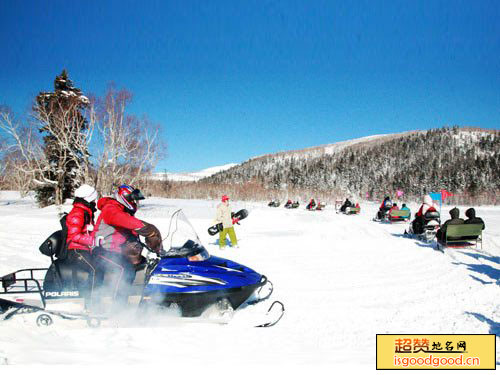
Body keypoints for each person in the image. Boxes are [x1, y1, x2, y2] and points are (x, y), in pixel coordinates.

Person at [93, 184, 162, 301]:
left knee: (145, 265)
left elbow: (130, 230)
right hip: (103, 250)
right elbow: (125, 221)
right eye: (133, 200)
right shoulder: (111, 208)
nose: (135, 203)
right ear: (125, 198)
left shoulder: (123, 210)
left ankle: (142, 299)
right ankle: (118, 306)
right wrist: (148, 229)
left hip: (115, 250)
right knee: (124, 269)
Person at [64, 184, 98, 308]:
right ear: (88, 198)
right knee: (94, 270)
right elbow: (74, 235)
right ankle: (90, 303)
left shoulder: (85, 211)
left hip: (84, 248)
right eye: (94, 198)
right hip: (76, 250)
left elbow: (85, 230)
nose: (95, 201)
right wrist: (93, 241)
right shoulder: (78, 212)